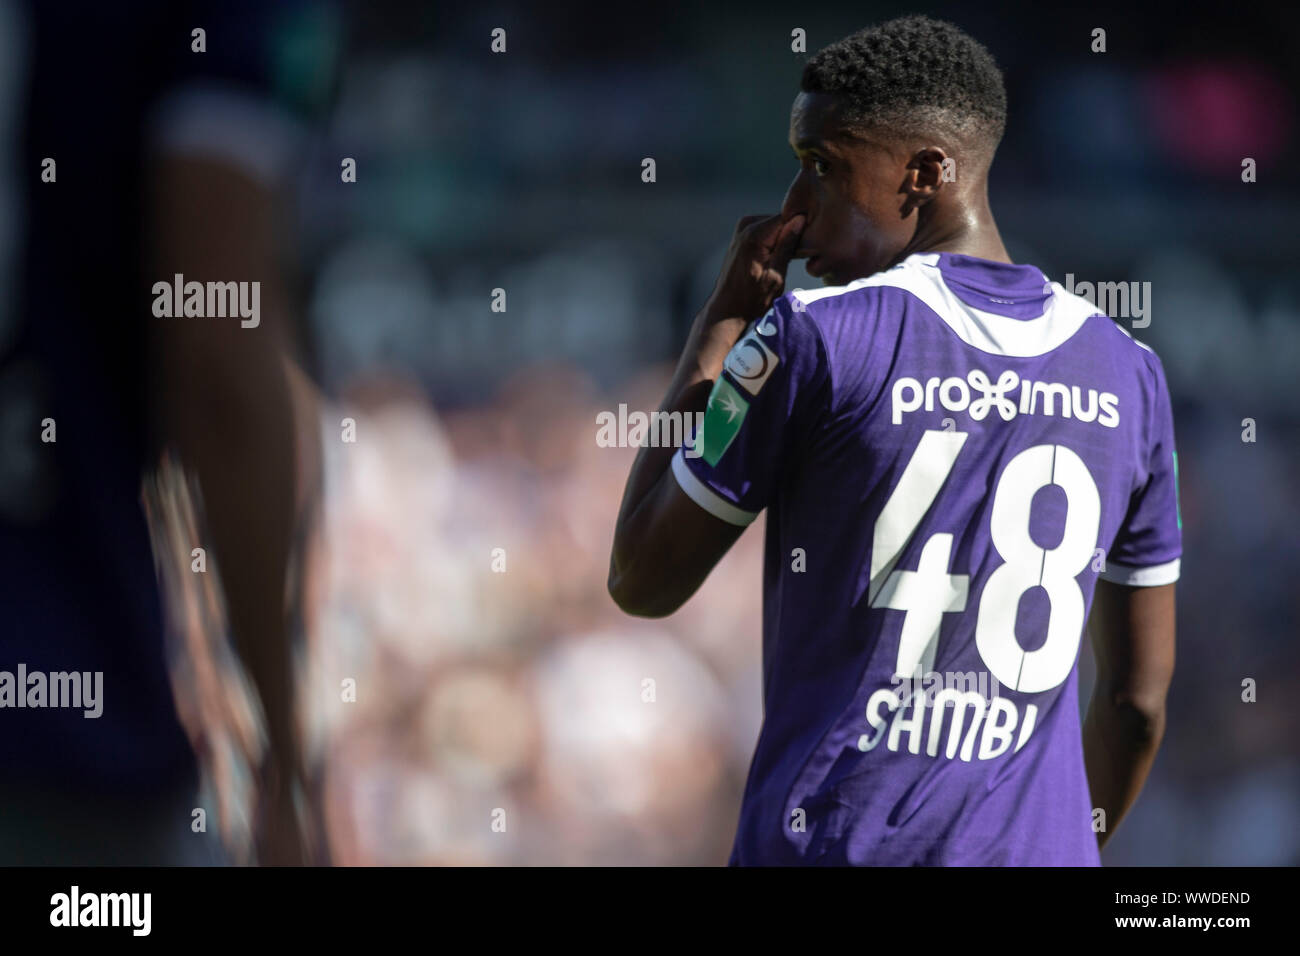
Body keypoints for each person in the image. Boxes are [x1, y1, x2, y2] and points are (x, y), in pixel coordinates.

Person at [609, 14, 1180, 865]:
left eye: (821, 168)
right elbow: (1136, 703)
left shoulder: (810, 338)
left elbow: (641, 577)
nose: (795, 211)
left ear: (924, 174)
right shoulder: (1131, 373)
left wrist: (721, 326)